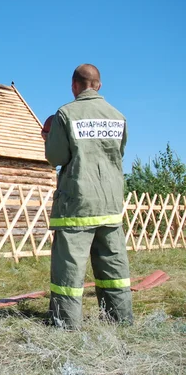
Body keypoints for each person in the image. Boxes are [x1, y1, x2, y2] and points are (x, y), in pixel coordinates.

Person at [41, 64, 133, 329]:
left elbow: (56, 157)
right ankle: (120, 320)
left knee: (69, 270)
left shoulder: (65, 114)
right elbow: (119, 155)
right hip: (111, 203)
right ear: (99, 85)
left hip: (77, 204)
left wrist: (47, 139)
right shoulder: (118, 116)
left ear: (74, 86)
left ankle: (66, 324)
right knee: (114, 268)